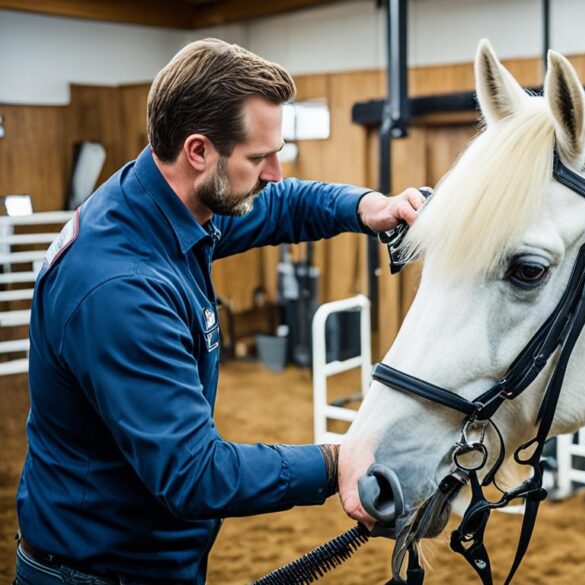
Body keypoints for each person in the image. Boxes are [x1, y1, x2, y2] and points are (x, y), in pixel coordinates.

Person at [14, 38, 423, 584]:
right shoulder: (120, 288)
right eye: (259, 157)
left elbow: (281, 203)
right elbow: (194, 474)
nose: (274, 171)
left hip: (148, 558)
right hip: (100, 571)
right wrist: (334, 463)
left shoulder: (166, 200)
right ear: (198, 150)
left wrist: (366, 205)